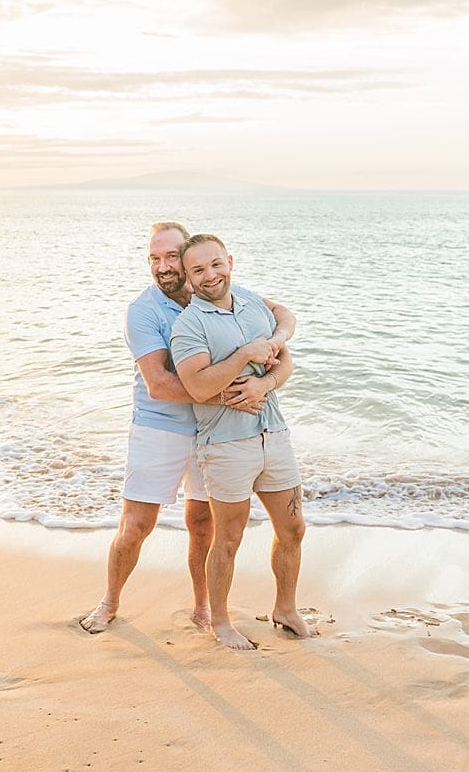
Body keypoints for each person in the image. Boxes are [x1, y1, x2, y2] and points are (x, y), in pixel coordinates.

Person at [79, 222, 295, 634]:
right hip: (160, 427)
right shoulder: (143, 310)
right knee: (136, 525)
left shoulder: (219, 291)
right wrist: (233, 396)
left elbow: (281, 314)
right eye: (153, 259)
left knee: (202, 525)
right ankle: (109, 602)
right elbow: (159, 385)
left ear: (190, 258)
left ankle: (203, 608)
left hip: (209, 432)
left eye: (170, 257)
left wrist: (275, 351)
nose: (162, 267)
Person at [170, 233, 317, 650]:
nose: (210, 275)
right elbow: (197, 387)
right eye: (198, 270)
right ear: (187, 275)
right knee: (228, 538)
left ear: (230, 261)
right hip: (226, 445)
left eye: (216, 264)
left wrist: (264, 383)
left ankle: (285, 609)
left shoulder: (253, 302)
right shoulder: (189, 325)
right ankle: (220, 622)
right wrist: (242, 355)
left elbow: (286, 346)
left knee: (292, 527)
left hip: (274, 434)